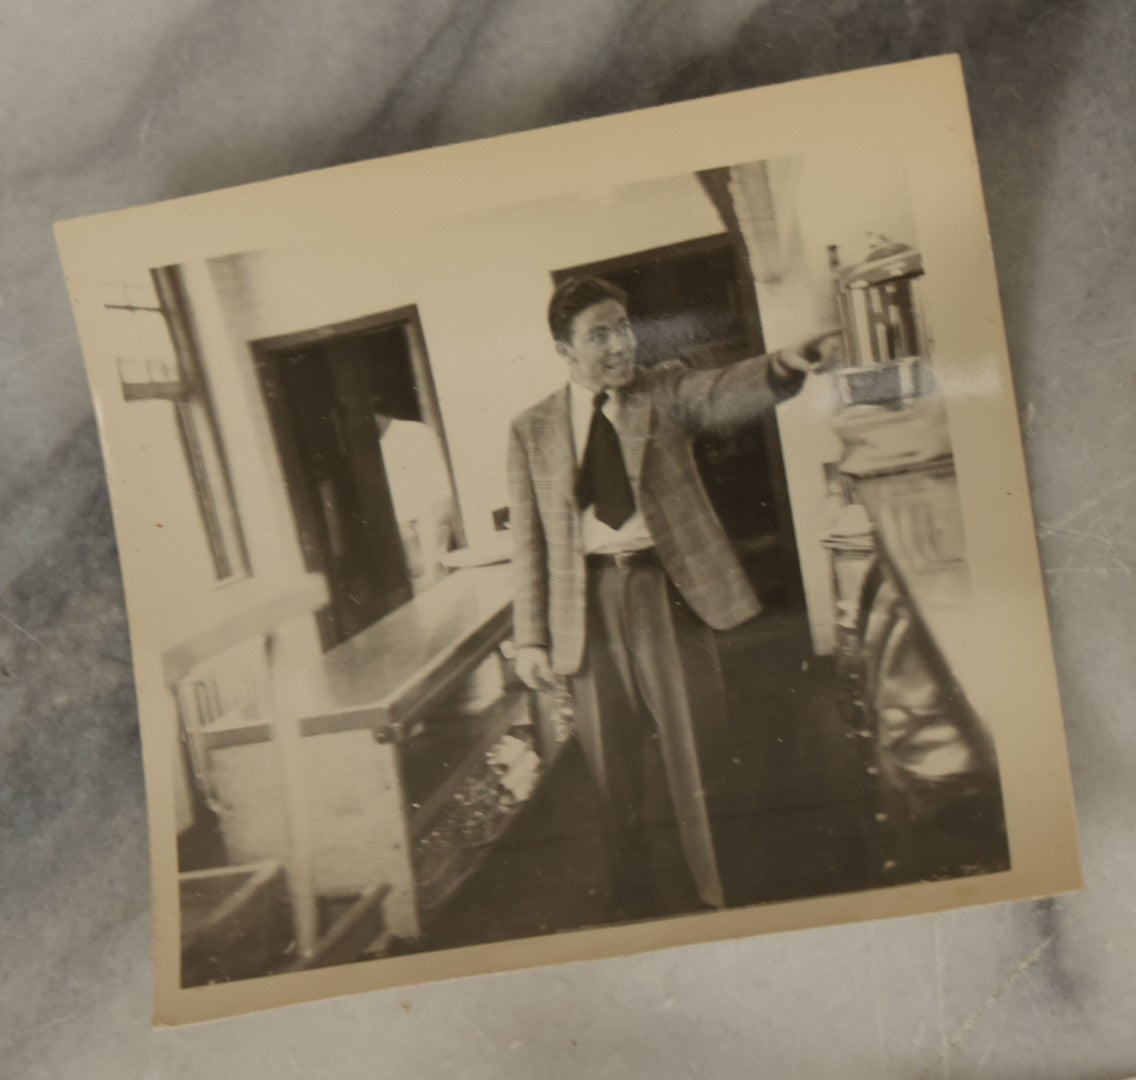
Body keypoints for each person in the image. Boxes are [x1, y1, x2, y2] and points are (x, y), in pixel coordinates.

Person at [506, 275, 838, 919]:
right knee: (611, 773)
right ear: (564, 350)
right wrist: (530, 638)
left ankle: (721, 899)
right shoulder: (530, 431)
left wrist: (783, 367)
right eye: (599, 334)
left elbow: (719, 393)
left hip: (666, 592)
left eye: (624, 327)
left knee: (698, 755)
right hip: (585, 609)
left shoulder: (663, 392)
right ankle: (635, 907)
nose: (619, 345)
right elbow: (530, 545)